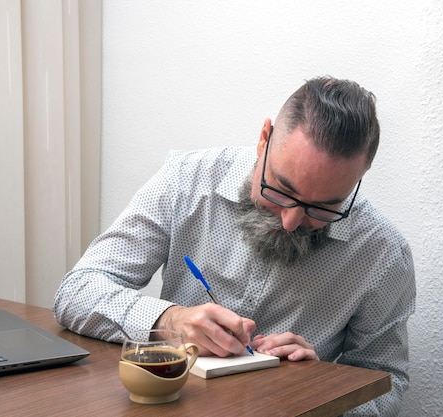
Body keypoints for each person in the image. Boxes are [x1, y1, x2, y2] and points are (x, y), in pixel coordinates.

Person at [54, 76, 416, 416]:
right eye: (282, 189)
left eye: (324, 207)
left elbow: (387, 385)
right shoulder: (187, 181)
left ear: (357, 180)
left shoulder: (382, 254)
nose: (291, 221)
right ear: (264, 139)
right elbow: (75, 291)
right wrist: (169, 321)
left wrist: (319, 385)